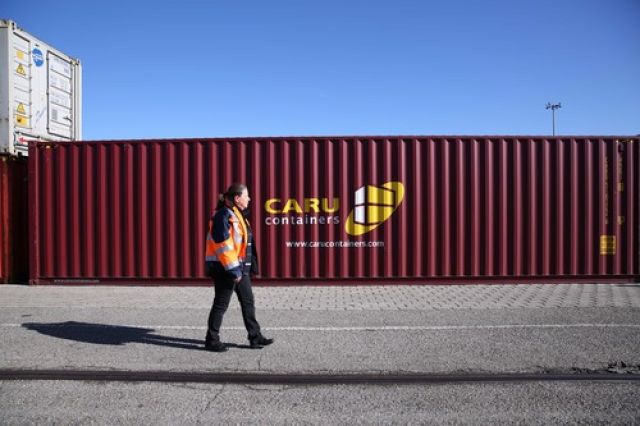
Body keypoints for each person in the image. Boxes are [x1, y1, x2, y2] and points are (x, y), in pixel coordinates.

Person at [204, 183, 274, 352]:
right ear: (237, 198)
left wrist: (245, 268)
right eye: (246, 195)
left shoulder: (238, 215)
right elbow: (223, 246)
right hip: (226, 269)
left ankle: (255, 336)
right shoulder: (223, 216)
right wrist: (234, 270)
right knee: (221, 304)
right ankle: (211, 340)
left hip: (240, 269)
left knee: (248, 302)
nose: (249, 199)